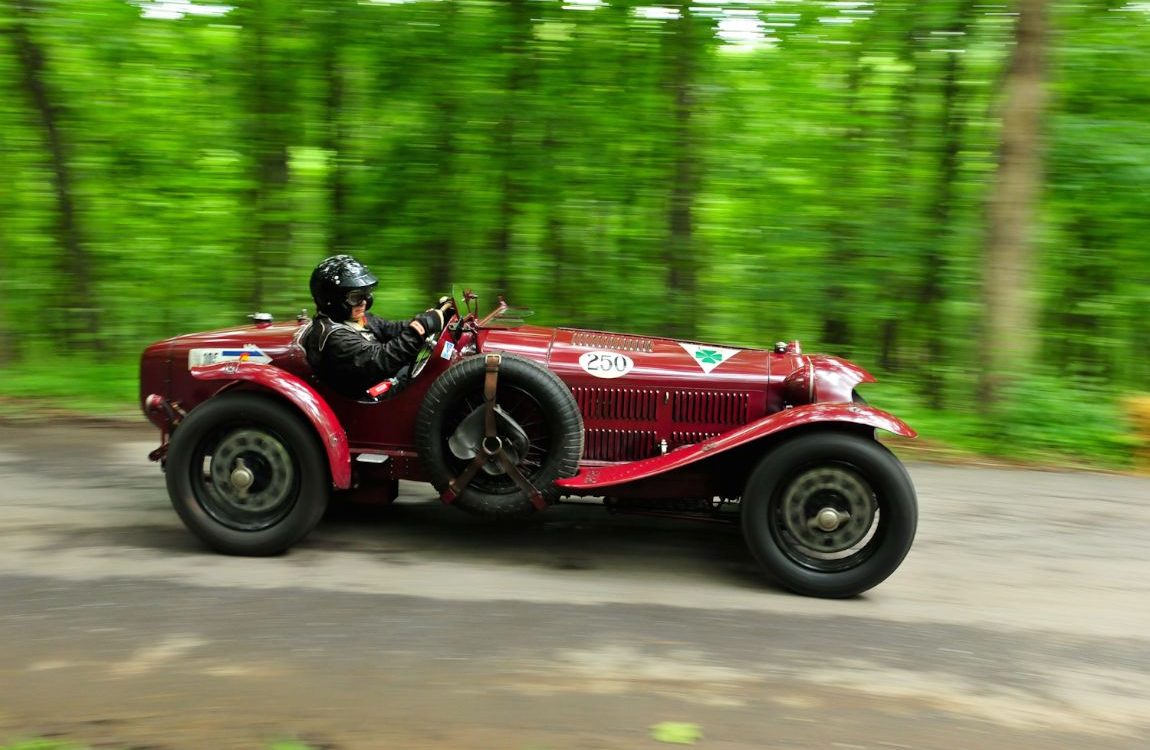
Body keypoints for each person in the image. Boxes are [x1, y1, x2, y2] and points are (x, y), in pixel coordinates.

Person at [303, 254, 453, 399]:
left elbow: (392, 329)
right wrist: (419, 330)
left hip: (390, 383)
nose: (364, 302)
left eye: (366, 294)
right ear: (332, 299)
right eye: (356, 297)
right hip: (370, 401)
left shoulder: (355, 319)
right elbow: (380, 360)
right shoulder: (335, 338)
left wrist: (432, 318)